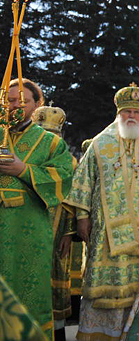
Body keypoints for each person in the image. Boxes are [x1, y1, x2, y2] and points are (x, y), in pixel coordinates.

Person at [65, 83, 139, 341]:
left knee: (135, 285)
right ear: (118, 113)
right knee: (100, 286)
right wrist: (82, 218)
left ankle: (131, 333)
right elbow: (83, 181)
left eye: (136, 113)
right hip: (104, 232)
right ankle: (96, 335)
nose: (131, 117)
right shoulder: (99, 143)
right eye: (126, 111)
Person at [0, 78, 73, 340]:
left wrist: (23, 170)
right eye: (9, 100)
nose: (15, 106)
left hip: (28, 234)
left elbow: (64, 177)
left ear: (36, 104)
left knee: (26, 292)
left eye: (22, 100)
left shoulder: (51, 142)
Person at [31, 103, 78, 341]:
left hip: (57, 232)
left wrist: (69, 234)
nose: (49, 139)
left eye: (54, 134)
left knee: (55, 278)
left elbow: (73, 201)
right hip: (27, 229)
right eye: (43, 133)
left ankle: (58, 331)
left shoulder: (69, 162)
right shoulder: (25, 154)